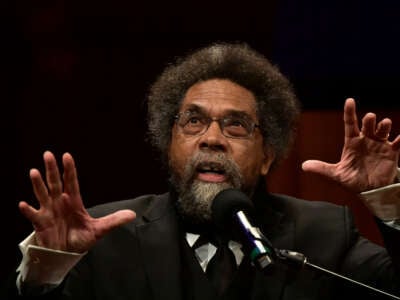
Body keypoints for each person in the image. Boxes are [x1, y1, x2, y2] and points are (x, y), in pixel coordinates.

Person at [4, 42, 400, 300]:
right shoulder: (106, 236)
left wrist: (388, 199)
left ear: (267, 156)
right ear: (169, 142)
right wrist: (47, 269)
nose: (212, 139)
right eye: (193, 122)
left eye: (236, 125)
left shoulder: (325, 233)